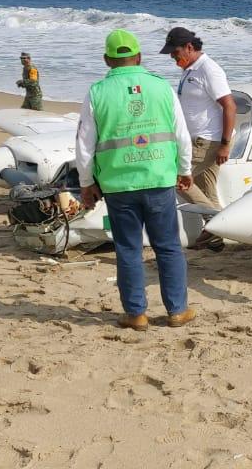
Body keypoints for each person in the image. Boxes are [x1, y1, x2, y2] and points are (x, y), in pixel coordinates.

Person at [75, 29, 196, 331]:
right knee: (167, 246)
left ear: (106, 60)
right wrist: (185, 169)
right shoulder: (161, 87)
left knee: (128, 249)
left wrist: (87, 183)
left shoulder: (97, 92)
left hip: (118, 184)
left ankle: (136, 313)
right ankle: (177, 311)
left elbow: (84, 145)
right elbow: (181, 134)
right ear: (140, 57)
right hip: (159, 178)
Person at [159, 27, 235, 252]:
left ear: (189, 47)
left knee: (177, 179)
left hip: (206, 141)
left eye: (175, 52)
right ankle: (219, 236)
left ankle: (214, 226)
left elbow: (229, 106)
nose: (172, 56)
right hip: (197, 139)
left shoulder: (209, 69)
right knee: (207, 191)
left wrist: (225, 144)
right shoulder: (190, 69)